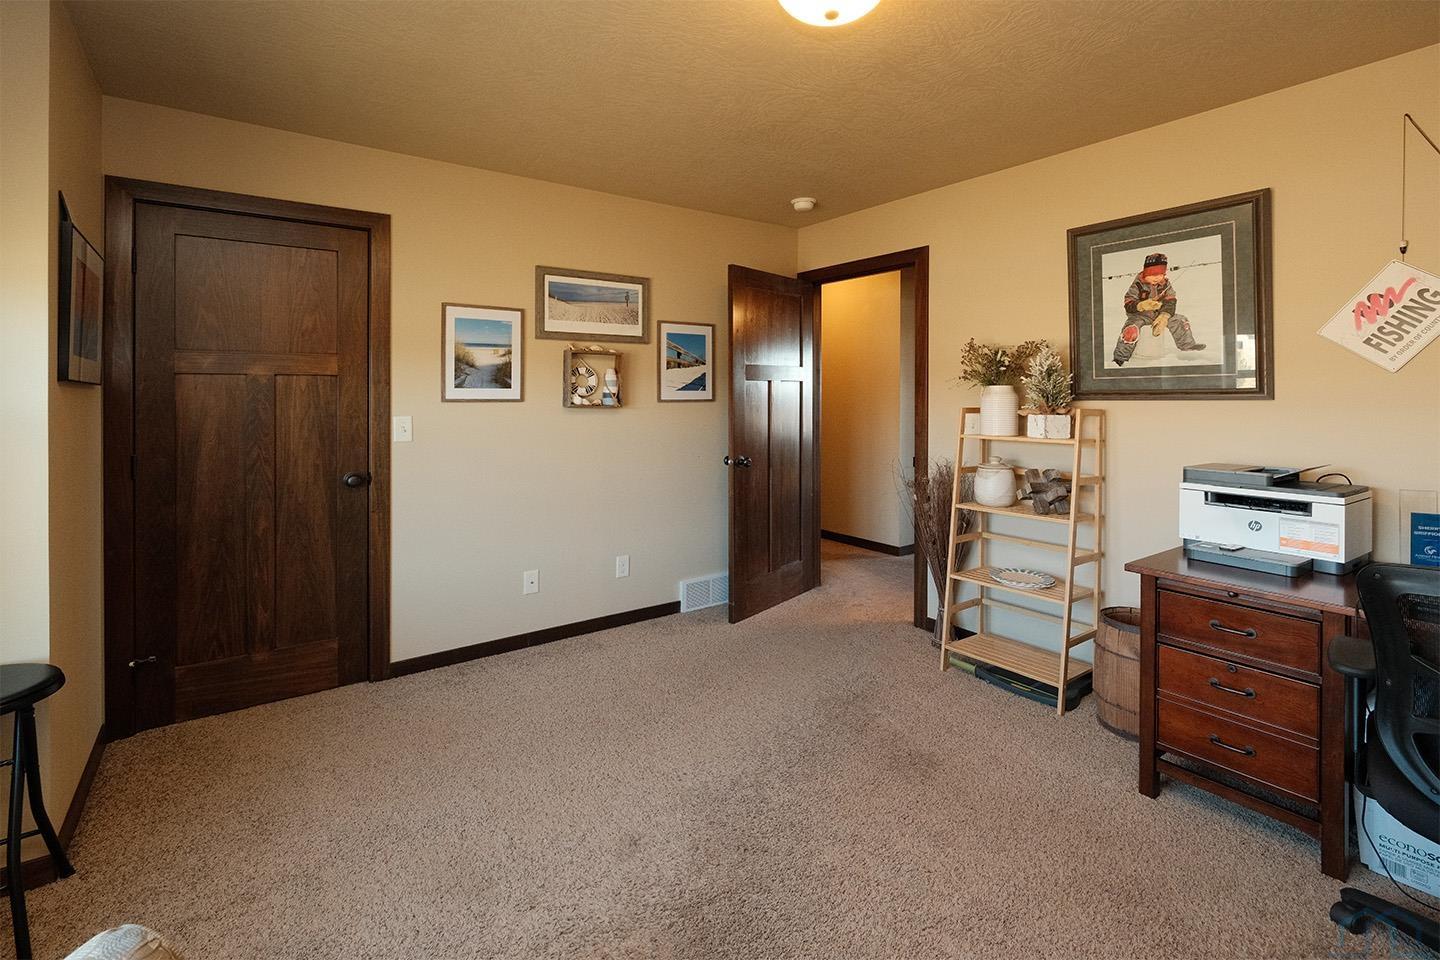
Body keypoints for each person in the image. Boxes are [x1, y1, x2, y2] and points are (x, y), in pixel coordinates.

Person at [1112, 252, 1206, 366]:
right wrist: (1141, 305)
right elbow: (1128, 303)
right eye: (1153, 274)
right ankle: (1120, 357)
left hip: (1159, 314)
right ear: (1145, 272)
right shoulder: (1137, 285)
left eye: (1161, 274)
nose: (1157, 277)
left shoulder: (1165, 284)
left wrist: (1164, 315)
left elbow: (1171, 300)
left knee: (1180, 320)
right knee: (1131, 331)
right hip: (1140, 316)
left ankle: (1188, 346)